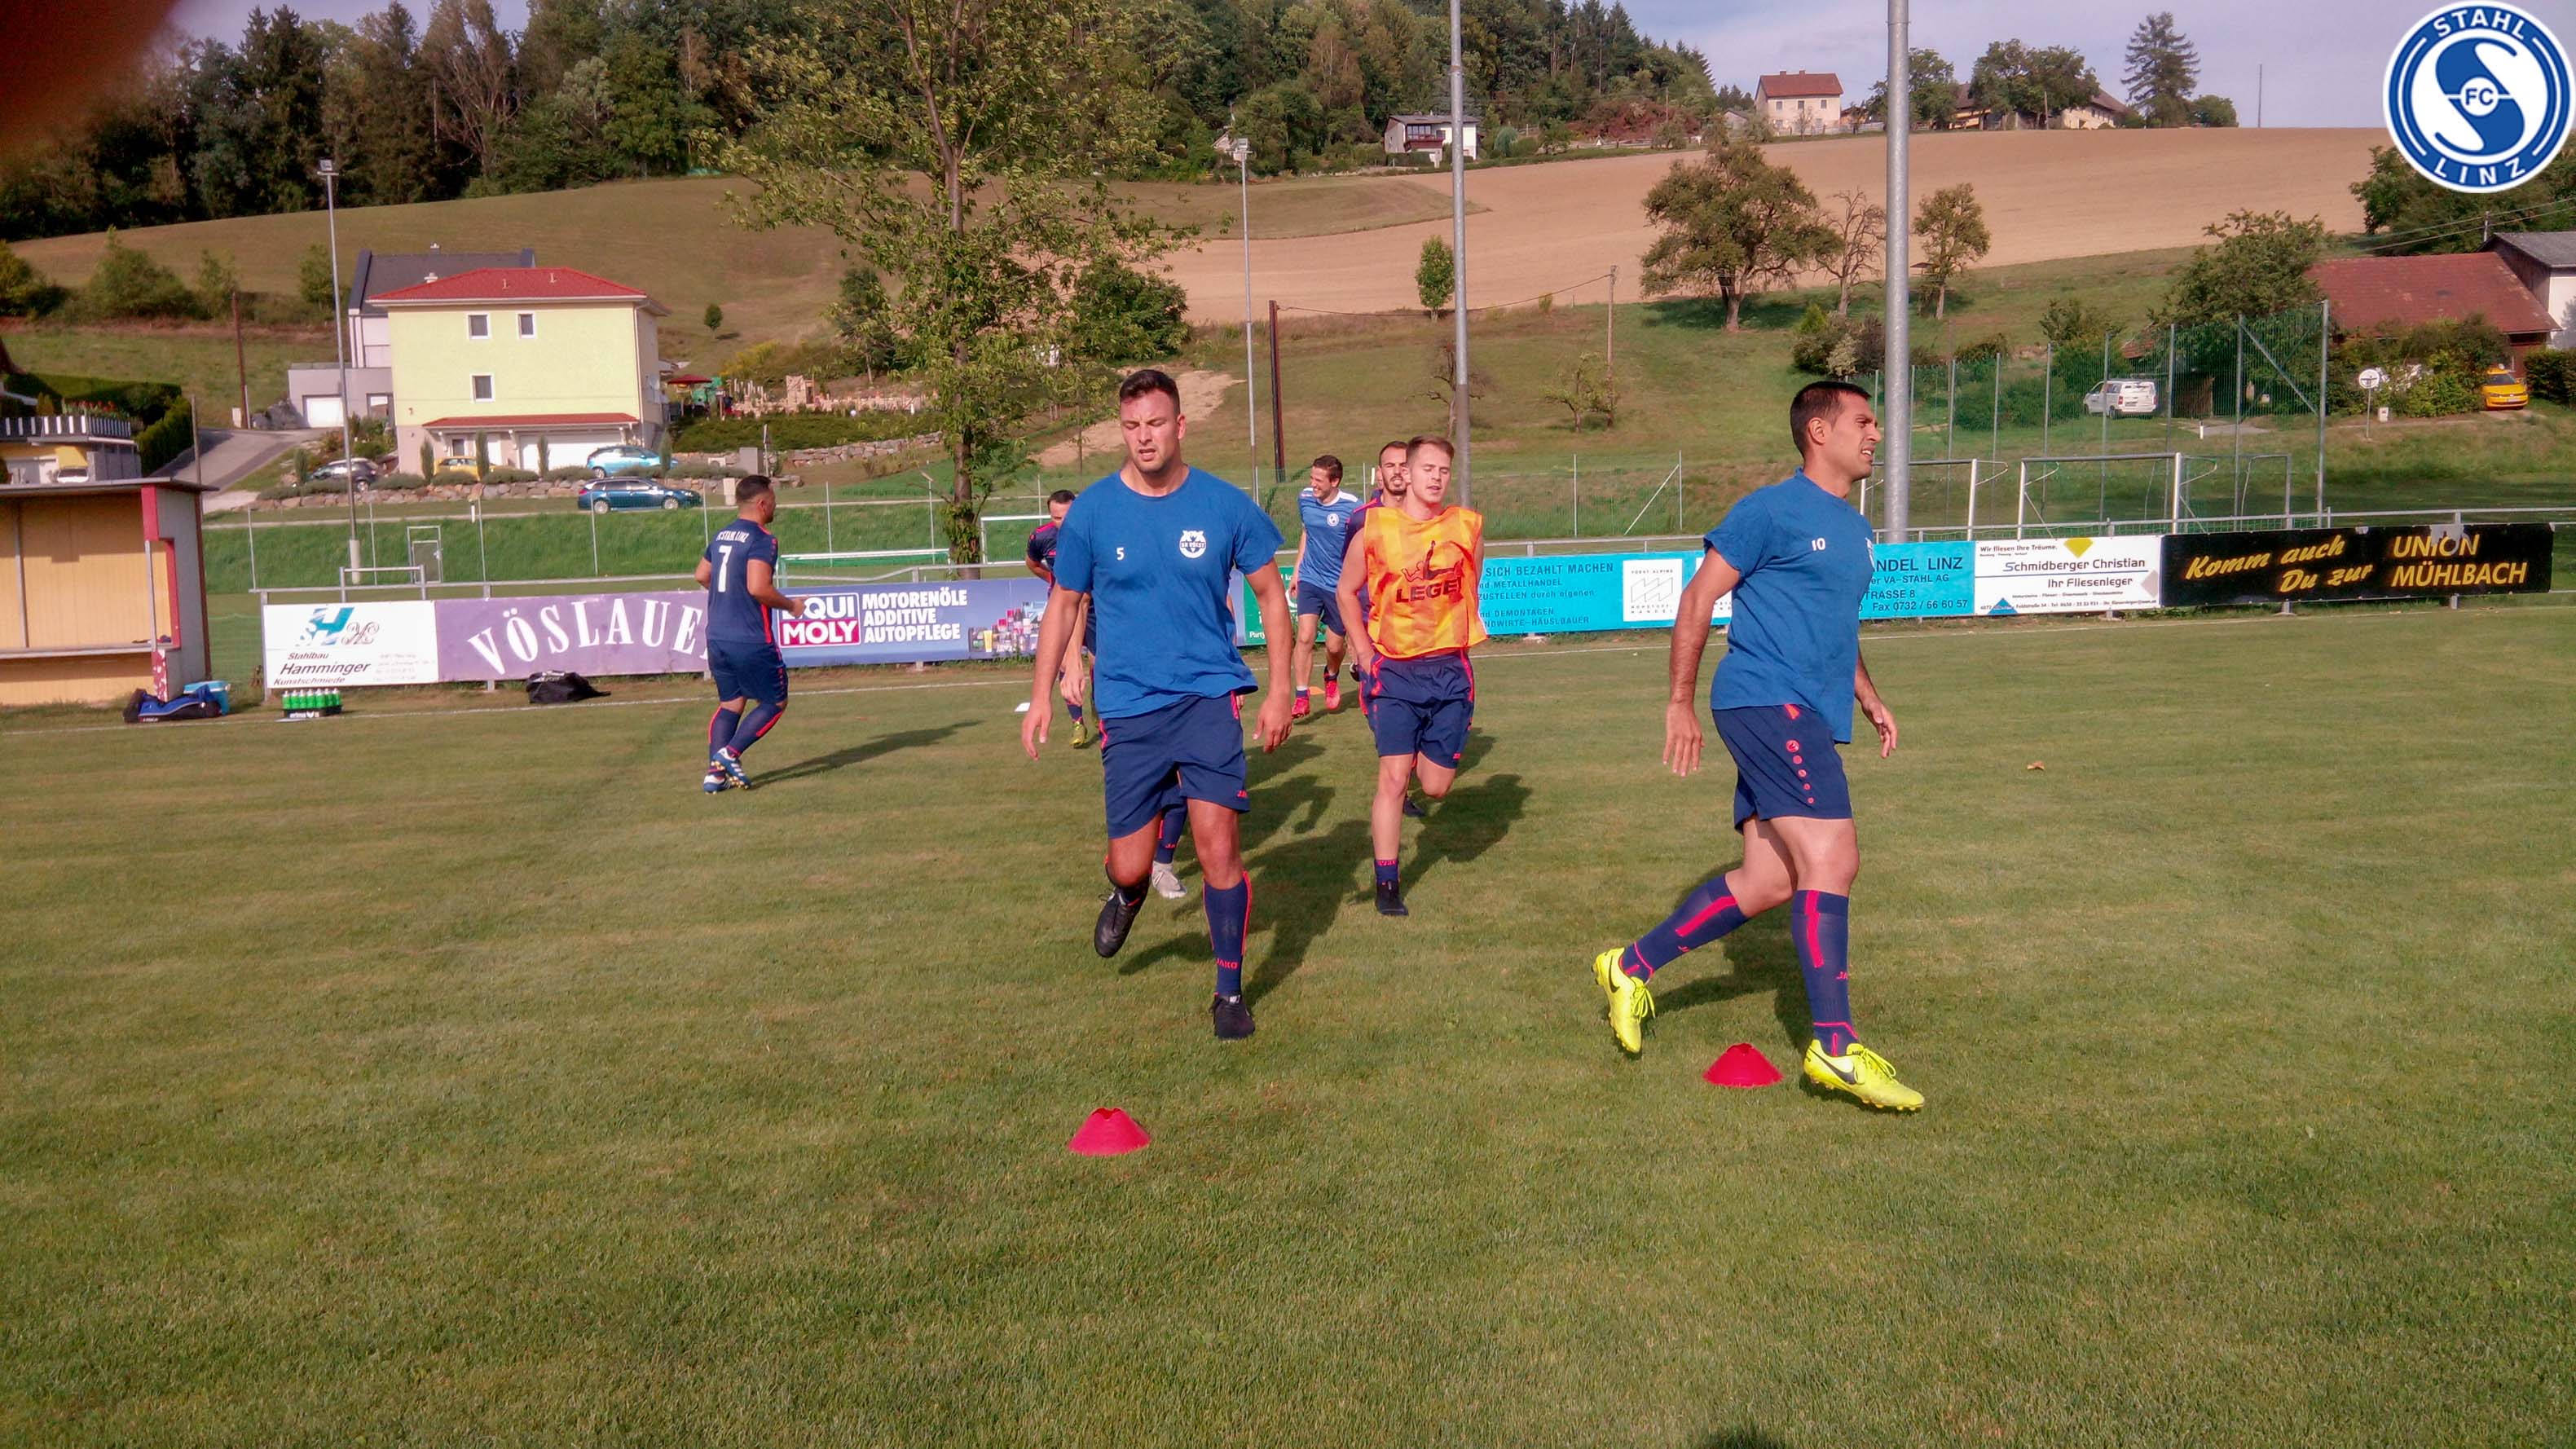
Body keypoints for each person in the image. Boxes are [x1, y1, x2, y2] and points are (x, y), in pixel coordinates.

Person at [1587, 381, 1921, 1112]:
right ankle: (1834, 1048)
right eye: (1863, 422)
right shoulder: (1768, 510)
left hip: (1805, 706)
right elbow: (1698, 597)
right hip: (1766, 700)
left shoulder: (1854, 527)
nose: (1875, 434)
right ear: (1818, 432)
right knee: (1833, 858)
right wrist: (1678, 702)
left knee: (1769, 881)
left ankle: (1628, 967)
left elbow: (1832, 626)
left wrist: (1867, 696)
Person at [1022, 368, 1293, 1040]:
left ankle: (1228, 993)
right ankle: (1128, 891)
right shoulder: (1092, 511)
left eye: (1155, 423)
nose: (1143, 437)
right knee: (1130, 862)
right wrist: (1040, 694)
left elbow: (1270, 595)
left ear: (1180, 426)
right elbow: (1063, 603)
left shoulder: (1224, 505)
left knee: (1218, 846)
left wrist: (1281, 687)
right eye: (1131, 426)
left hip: (1207, 696)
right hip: (1128, 704)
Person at [1338, 436, 1483, 917]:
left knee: (1435, 786)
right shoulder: (1375, 527)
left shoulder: (1467, 526)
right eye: (1427, 468)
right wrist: (1363, 650)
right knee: (1394, 778)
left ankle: (1423, 746)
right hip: (1394, 671)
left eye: (1444, 470)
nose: (1436, 477)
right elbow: (1345, 591)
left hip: (1449, 671)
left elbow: (1471, 587)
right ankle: (1388, 884)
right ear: (1408, 472)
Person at [1033, 486, 1189, 897]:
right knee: (1133, 778)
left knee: (1182, 776)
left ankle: (1162, 864)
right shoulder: (1088, 544)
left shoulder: (1170, 536)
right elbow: (1075, 604)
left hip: (1177, 676)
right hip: (1122, 681)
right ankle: (1128, 875)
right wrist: (1072, 664)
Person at [694, 475, 807, 792]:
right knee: (775, 702)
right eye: (773, 501)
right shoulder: (762, 539)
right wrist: (792, 606)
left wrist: (731, 595)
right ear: (761, 503)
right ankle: (729, 754)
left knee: (731, 703)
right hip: (751, 638)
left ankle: (714, 776)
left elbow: (701, 575)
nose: (775, 506)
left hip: (718, 635)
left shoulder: (721, 535)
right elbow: (759, 588)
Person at [1347, 439, 1428, 819]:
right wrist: (1356, 643)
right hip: (1374, 634)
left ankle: (1404, 780)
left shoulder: (1425, 516)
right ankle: (1399, 787)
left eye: (1402, 465)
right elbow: (1347, 583)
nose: (1396, 471)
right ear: (1379, 473)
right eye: (1389, 465)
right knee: (1386, 718)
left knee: (1421, 713)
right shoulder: (1361, 520)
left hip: (1419, 634)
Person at [1288, 455, 1363, 720]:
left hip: (1339, 586)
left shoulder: (1353, 507)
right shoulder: (1305, 498)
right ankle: (1301, 696)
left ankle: (1331, 675)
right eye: (1312, 478)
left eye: (1319, 480)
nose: (1313, 484)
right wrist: (1297, 571)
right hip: (1310, 578)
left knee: (1333, 646)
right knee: (1305, 637)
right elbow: (1307, 533)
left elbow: (1362, 545)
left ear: (1335, 481)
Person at [1024, 489, 1096, 748]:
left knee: (1098, 665)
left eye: (1068, 516)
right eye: (1057, 518)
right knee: (1065, 664)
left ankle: (1099, 709)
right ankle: (1078, 723)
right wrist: (1054, 582)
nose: (1063, 523)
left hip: (1094, 607)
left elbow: (1085, 595)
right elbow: (1032, 563)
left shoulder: (1091, 533)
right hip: (1064, 608)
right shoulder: (1041, 537)